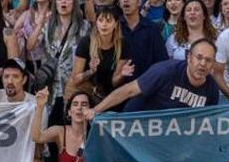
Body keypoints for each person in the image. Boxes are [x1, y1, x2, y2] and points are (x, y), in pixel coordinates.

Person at [89, 38, 220, 113]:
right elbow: (128, 90)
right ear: (189, 57)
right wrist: (96, 110)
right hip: (141, 121)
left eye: (208, 60)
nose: (203, 63)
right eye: (199, 57)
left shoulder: (212, 89)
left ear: (213, 64)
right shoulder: (165, 71)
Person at [71, 8, 133, 107]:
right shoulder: (86, 42)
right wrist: (91, 71)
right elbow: (75, 80)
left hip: (111, 96)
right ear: (96, 23)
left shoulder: (122, 45)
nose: (104, 24)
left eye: (108, 21)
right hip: (88, 94)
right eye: (100, 20)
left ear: (116, 23)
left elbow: (114, 82)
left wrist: (122, 74)